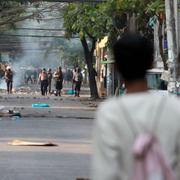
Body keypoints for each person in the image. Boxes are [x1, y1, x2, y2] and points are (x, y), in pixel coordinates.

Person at [92, 33, 180, 180]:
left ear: (117, 67)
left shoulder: (109, 113)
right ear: (151, 62)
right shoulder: (174, 108)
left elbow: (105, 172)